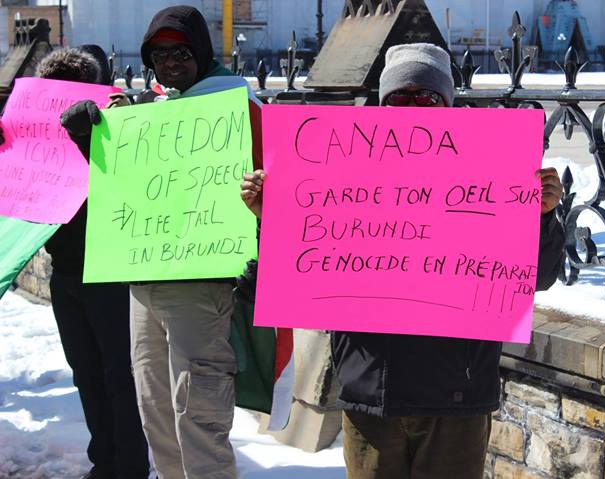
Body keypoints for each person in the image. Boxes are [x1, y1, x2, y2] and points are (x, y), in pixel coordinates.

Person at [241, 43, 565, 479]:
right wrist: (273, 221)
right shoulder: (342, 172)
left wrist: (541, 218)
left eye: (427, 97)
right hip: (372, 393)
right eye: (400, 97)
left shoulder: (489, 175)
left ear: (447, 103)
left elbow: (538, 278)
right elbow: (275, 283)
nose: (414, 107)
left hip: (457, 397)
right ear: (382, 103)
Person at [60, 6, 262, 479]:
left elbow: (274, 191)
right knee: (156, 417)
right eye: (159, 53)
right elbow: (130, 192)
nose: (170, 62)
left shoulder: (237, 106)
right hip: (143, 285)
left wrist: (259, 247)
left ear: (202, 53)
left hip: (199, 286)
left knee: (198, 419)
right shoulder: (147, 113)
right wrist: (92, 140)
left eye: (181, 52)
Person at [38, 47, 149, 479]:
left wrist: (91, 137)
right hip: (64, 271)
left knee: (120, 376)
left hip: (110, 271)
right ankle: (104, 463)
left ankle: (131, 468)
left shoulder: (113, 120)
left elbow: (134, 183)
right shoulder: (40, 132)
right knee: (85, 373)